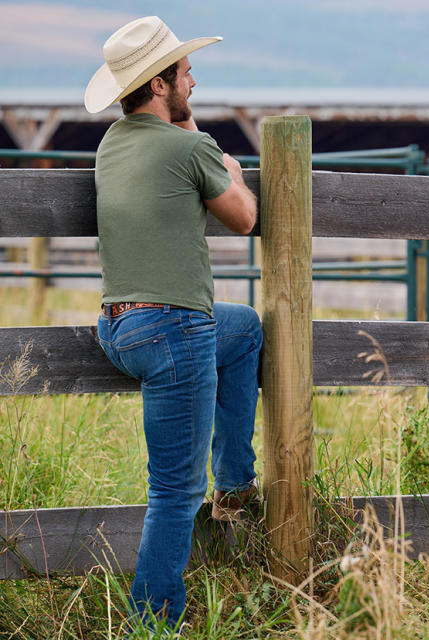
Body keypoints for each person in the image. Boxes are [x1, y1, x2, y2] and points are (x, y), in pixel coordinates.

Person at [85, 16, 262, 629]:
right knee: (174, 492)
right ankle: (152, 620)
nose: (194, 76)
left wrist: (189, 127)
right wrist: (234, 173)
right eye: (184, 70)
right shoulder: (193, 149)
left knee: (242, 329)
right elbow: (242, 218)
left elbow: (172, 151)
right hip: (171, 329)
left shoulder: (113, 143)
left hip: (118, 328)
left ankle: (236, 481)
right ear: (160, 84)